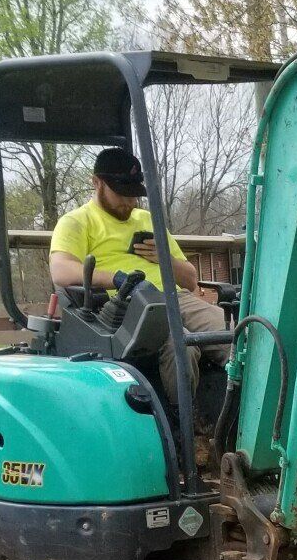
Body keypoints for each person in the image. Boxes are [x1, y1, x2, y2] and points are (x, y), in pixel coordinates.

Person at [48, 147, 228, 427]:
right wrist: (118, 279)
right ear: (97, 182)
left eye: (134, 193)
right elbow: (61, 271)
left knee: (235, 332)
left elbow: (191, 280)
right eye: (123, 193)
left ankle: (241, 422)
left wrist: (164, 259)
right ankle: (187, 431)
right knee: (182, 345)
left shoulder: (148, 221)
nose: (131, 201)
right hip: (124, 307)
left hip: (173, 295)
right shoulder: (76, 222)